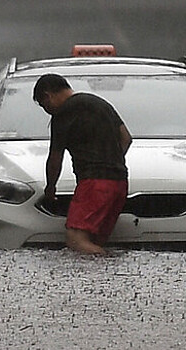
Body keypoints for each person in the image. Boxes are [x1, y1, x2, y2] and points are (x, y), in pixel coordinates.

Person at [33, 74, 132, 255]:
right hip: (119, 183)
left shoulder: (63, 113)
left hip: (94, 184)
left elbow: (55, 157)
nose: (46, 110)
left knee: (76, 239)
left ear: (48, 96)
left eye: (43, 105)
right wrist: (111, 161)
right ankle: (101, 280)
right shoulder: (101, 104)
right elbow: (126, 138)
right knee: (93, 242)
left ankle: (119, 269)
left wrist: (51, 187)